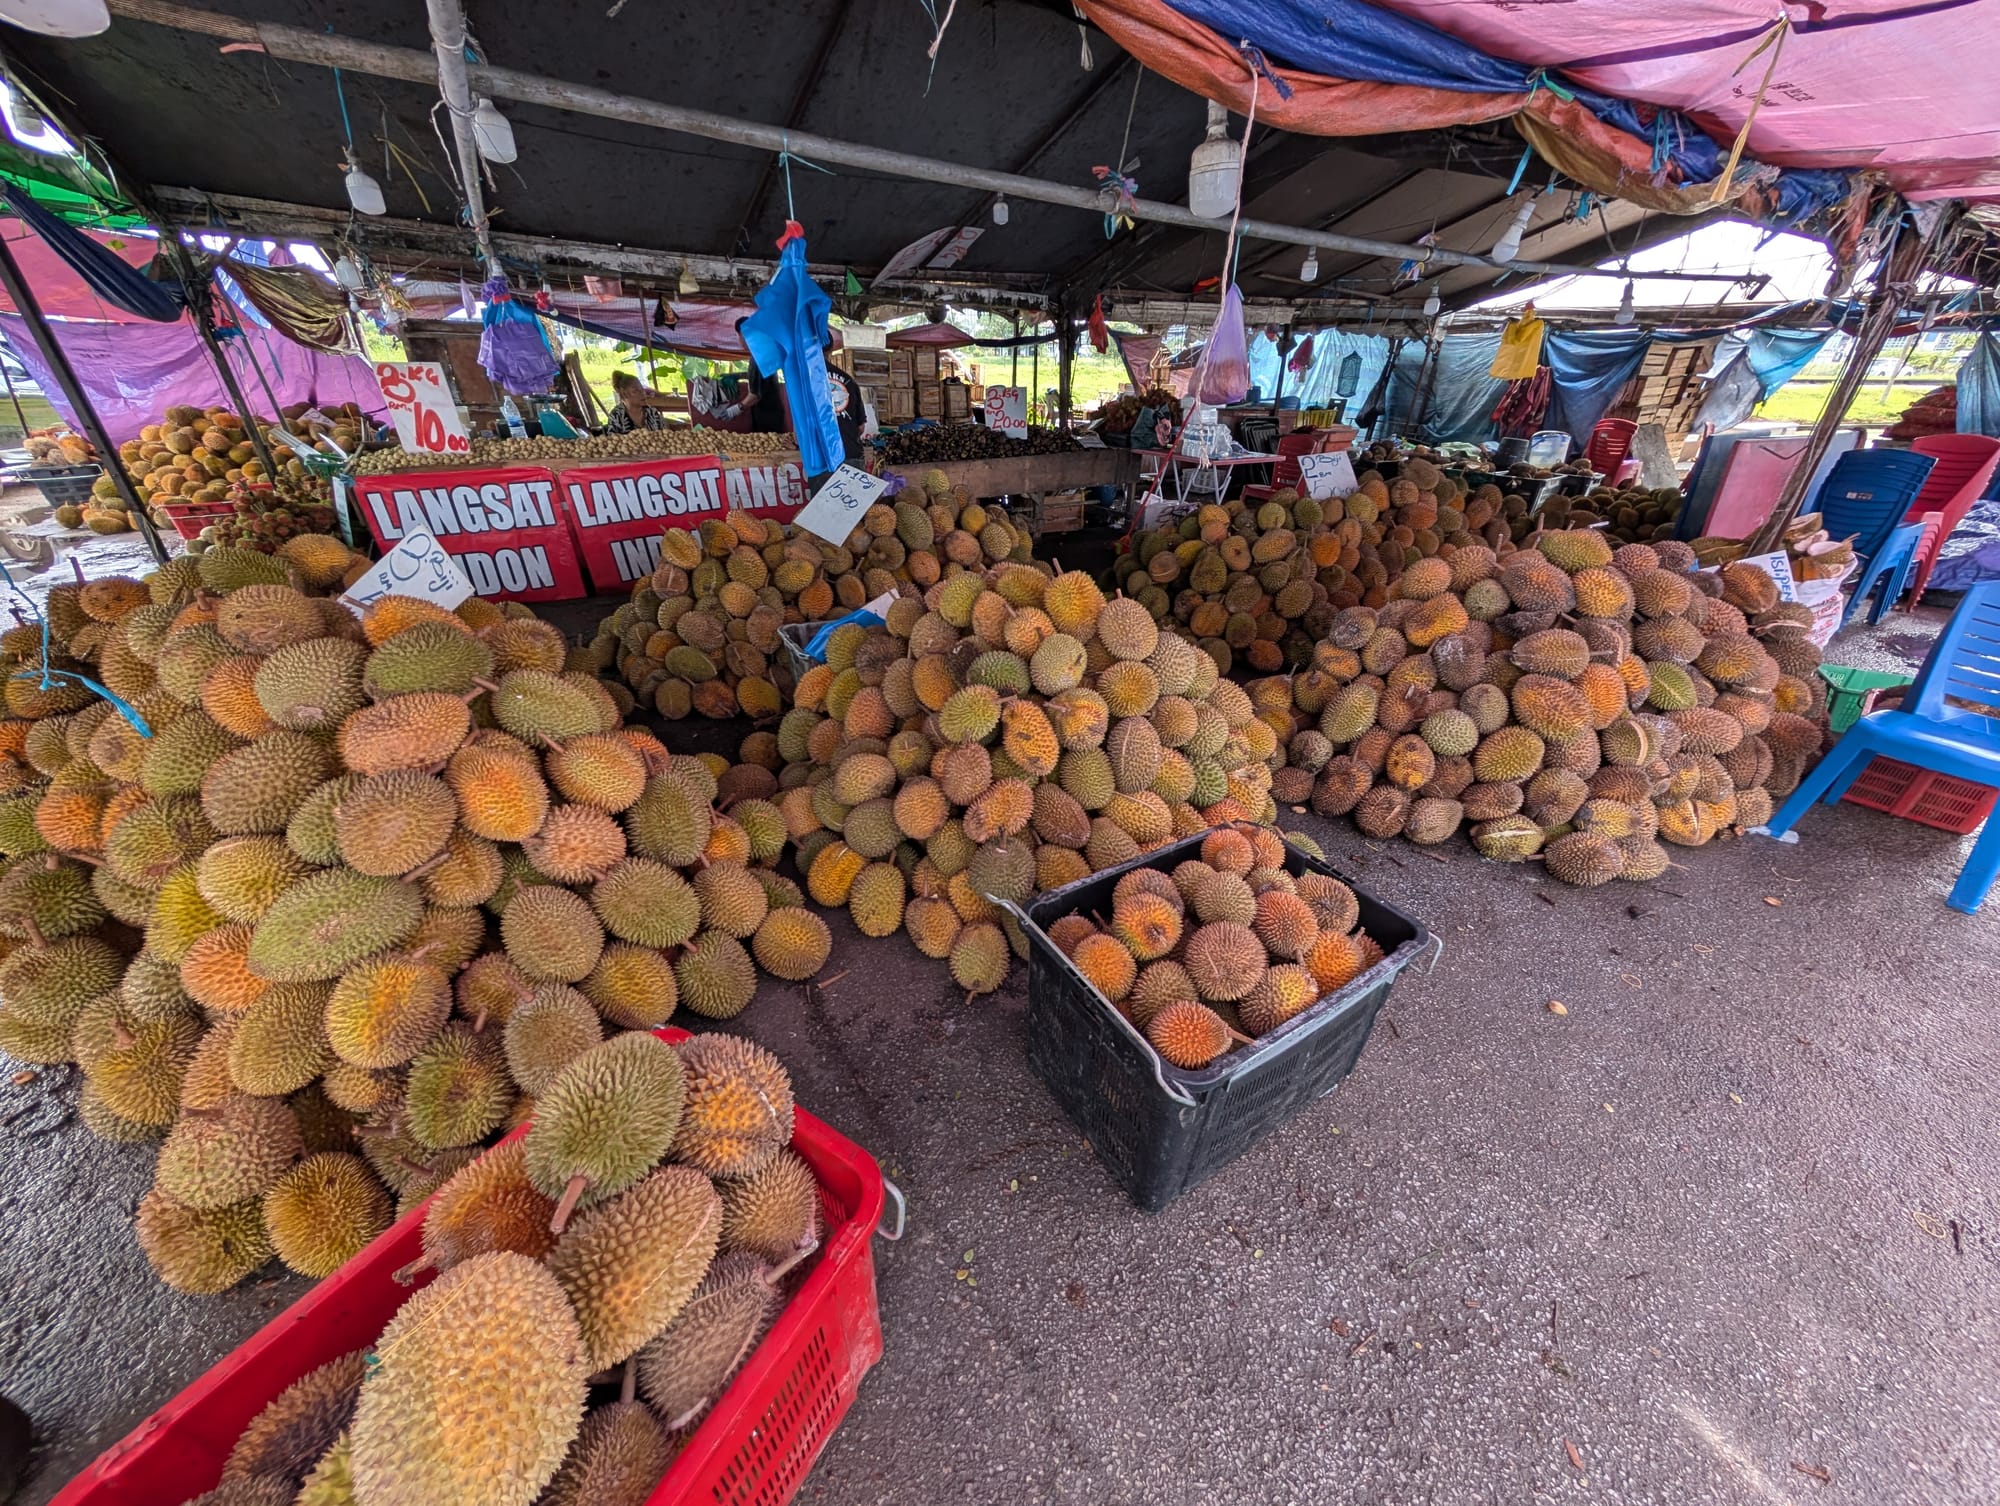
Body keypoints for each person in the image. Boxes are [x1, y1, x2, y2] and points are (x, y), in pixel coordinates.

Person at [605, 370, 671, 433]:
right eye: (635, 391)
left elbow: (664, 434)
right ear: (624, 393)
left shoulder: (652, 412)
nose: (642, 393)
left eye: (642, 389)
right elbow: (613, 441)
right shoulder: (616, 416)